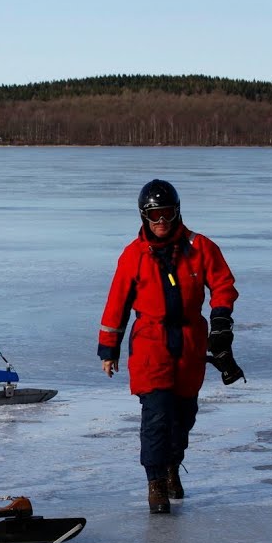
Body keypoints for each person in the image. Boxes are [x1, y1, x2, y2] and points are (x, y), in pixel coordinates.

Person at [97, 179, 241, 514]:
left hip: (190, 341)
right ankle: (155, 482)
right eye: (154, 215)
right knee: (156, 415)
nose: (161, 221)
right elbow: (116, 303)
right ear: (144, 217)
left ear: (177, 213)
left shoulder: (200, 247)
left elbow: (223, 284)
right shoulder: (133, 255)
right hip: (151, 341)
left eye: (167, 213)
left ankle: (173, 464)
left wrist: (220, 322)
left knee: (183, 416)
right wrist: (109, 349)